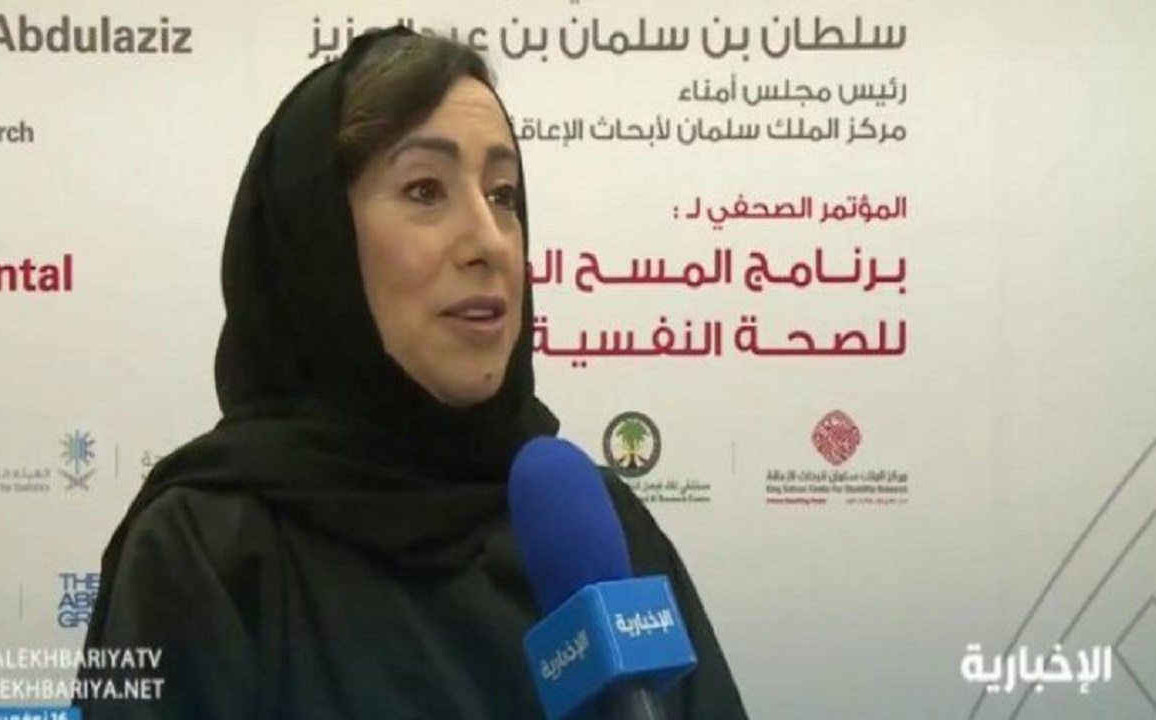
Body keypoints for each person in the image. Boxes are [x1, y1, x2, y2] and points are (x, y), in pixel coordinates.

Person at [77, 26, 750, 720]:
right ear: (319, 242)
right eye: (426, 190)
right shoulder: (204, 551)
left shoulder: (597, 527)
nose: (489, 242)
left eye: (504, 195)